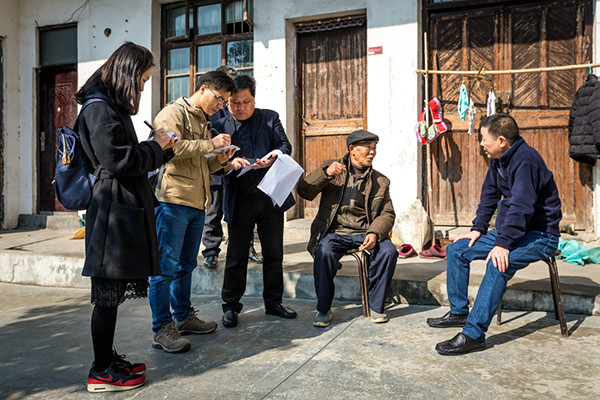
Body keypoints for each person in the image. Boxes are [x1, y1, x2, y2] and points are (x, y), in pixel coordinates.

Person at [76, 42, 179, 392]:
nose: (142, 87)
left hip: (119, 207)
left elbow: (125, 155)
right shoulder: (99, 109)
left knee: (111, 296)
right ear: (128, 73)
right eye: (143, 79)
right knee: (106, 297)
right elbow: (119, 161)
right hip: (110, 214)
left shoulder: (108, 106)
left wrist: (155, 147)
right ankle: (100, 370)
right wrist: (157, 147)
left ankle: (105, 359)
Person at [427, 113, 562, 355]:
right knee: (458, 249)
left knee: (498, 263)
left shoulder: (526, 160)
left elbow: (522, 205)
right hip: (510, 232)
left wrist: (503, 244)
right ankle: (459, 313)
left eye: (483, 139)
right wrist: (477, 229)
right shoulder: (498, 159)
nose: (480, 143)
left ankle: (474, 335)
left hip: (540, 235)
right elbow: (489, 196)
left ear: (501, 140)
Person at [148, 71, 236, 353]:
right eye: (219, 100)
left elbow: (200, 163)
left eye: (224, 103)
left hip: (197, 202)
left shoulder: (202, 120)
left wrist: (220, 161)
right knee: (164, 268)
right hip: (173, 201)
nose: (220, 107)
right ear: (203, 88)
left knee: (186, 265)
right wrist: (211, 145)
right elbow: (171, 149)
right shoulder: (173, 113)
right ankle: (162, 328)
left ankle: (183, 317)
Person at [214, 74, 297, 328]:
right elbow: (213, 163)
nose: (240, 108)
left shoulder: (269, 117)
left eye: (246, 102)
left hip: (271, 195)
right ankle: (230, 306)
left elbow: (285, 145)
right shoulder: (219, 124)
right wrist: (228, 164)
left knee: (274, 253)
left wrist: (274, 156)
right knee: (236, 256)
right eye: (235, 103)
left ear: (254, 99)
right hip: (240, 198)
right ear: (228, 102)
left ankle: (273, 303)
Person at [297, 130, 398, 327]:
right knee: (324, 252)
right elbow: (304, 191)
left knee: (389, 251)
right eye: (367, 147)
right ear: (352, 149)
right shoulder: (334, 171)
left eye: (374, 148)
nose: (372, 152)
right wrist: (325, 175)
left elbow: (388, 214)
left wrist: (374, 233)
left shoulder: (380, 181)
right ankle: (324, 308)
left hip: (365, 233)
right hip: (335, 233)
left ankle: (376, 305)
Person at [203, 65, 263, 269]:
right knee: (214, 211)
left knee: (242, 214)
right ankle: (211, 251)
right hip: (217, 166)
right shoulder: (209, 108)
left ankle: (248, 248)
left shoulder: (239, 105)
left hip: (237, 167)